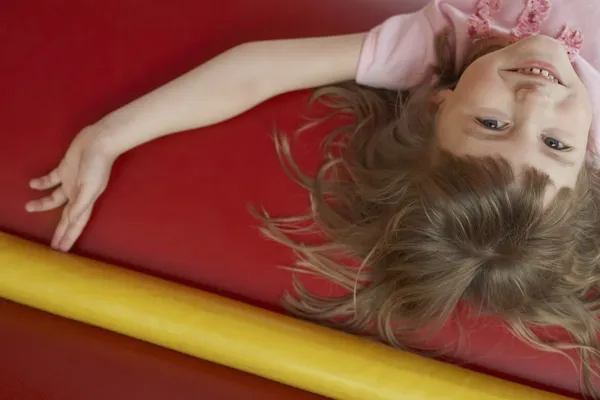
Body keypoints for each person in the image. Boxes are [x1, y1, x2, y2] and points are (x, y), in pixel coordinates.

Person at [24, 0, 600, 396]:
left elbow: (256, 70)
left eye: (493, 124)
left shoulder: (438, 48)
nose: (534, 100)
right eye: (555, 144)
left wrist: (110, 136)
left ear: (436, 106)